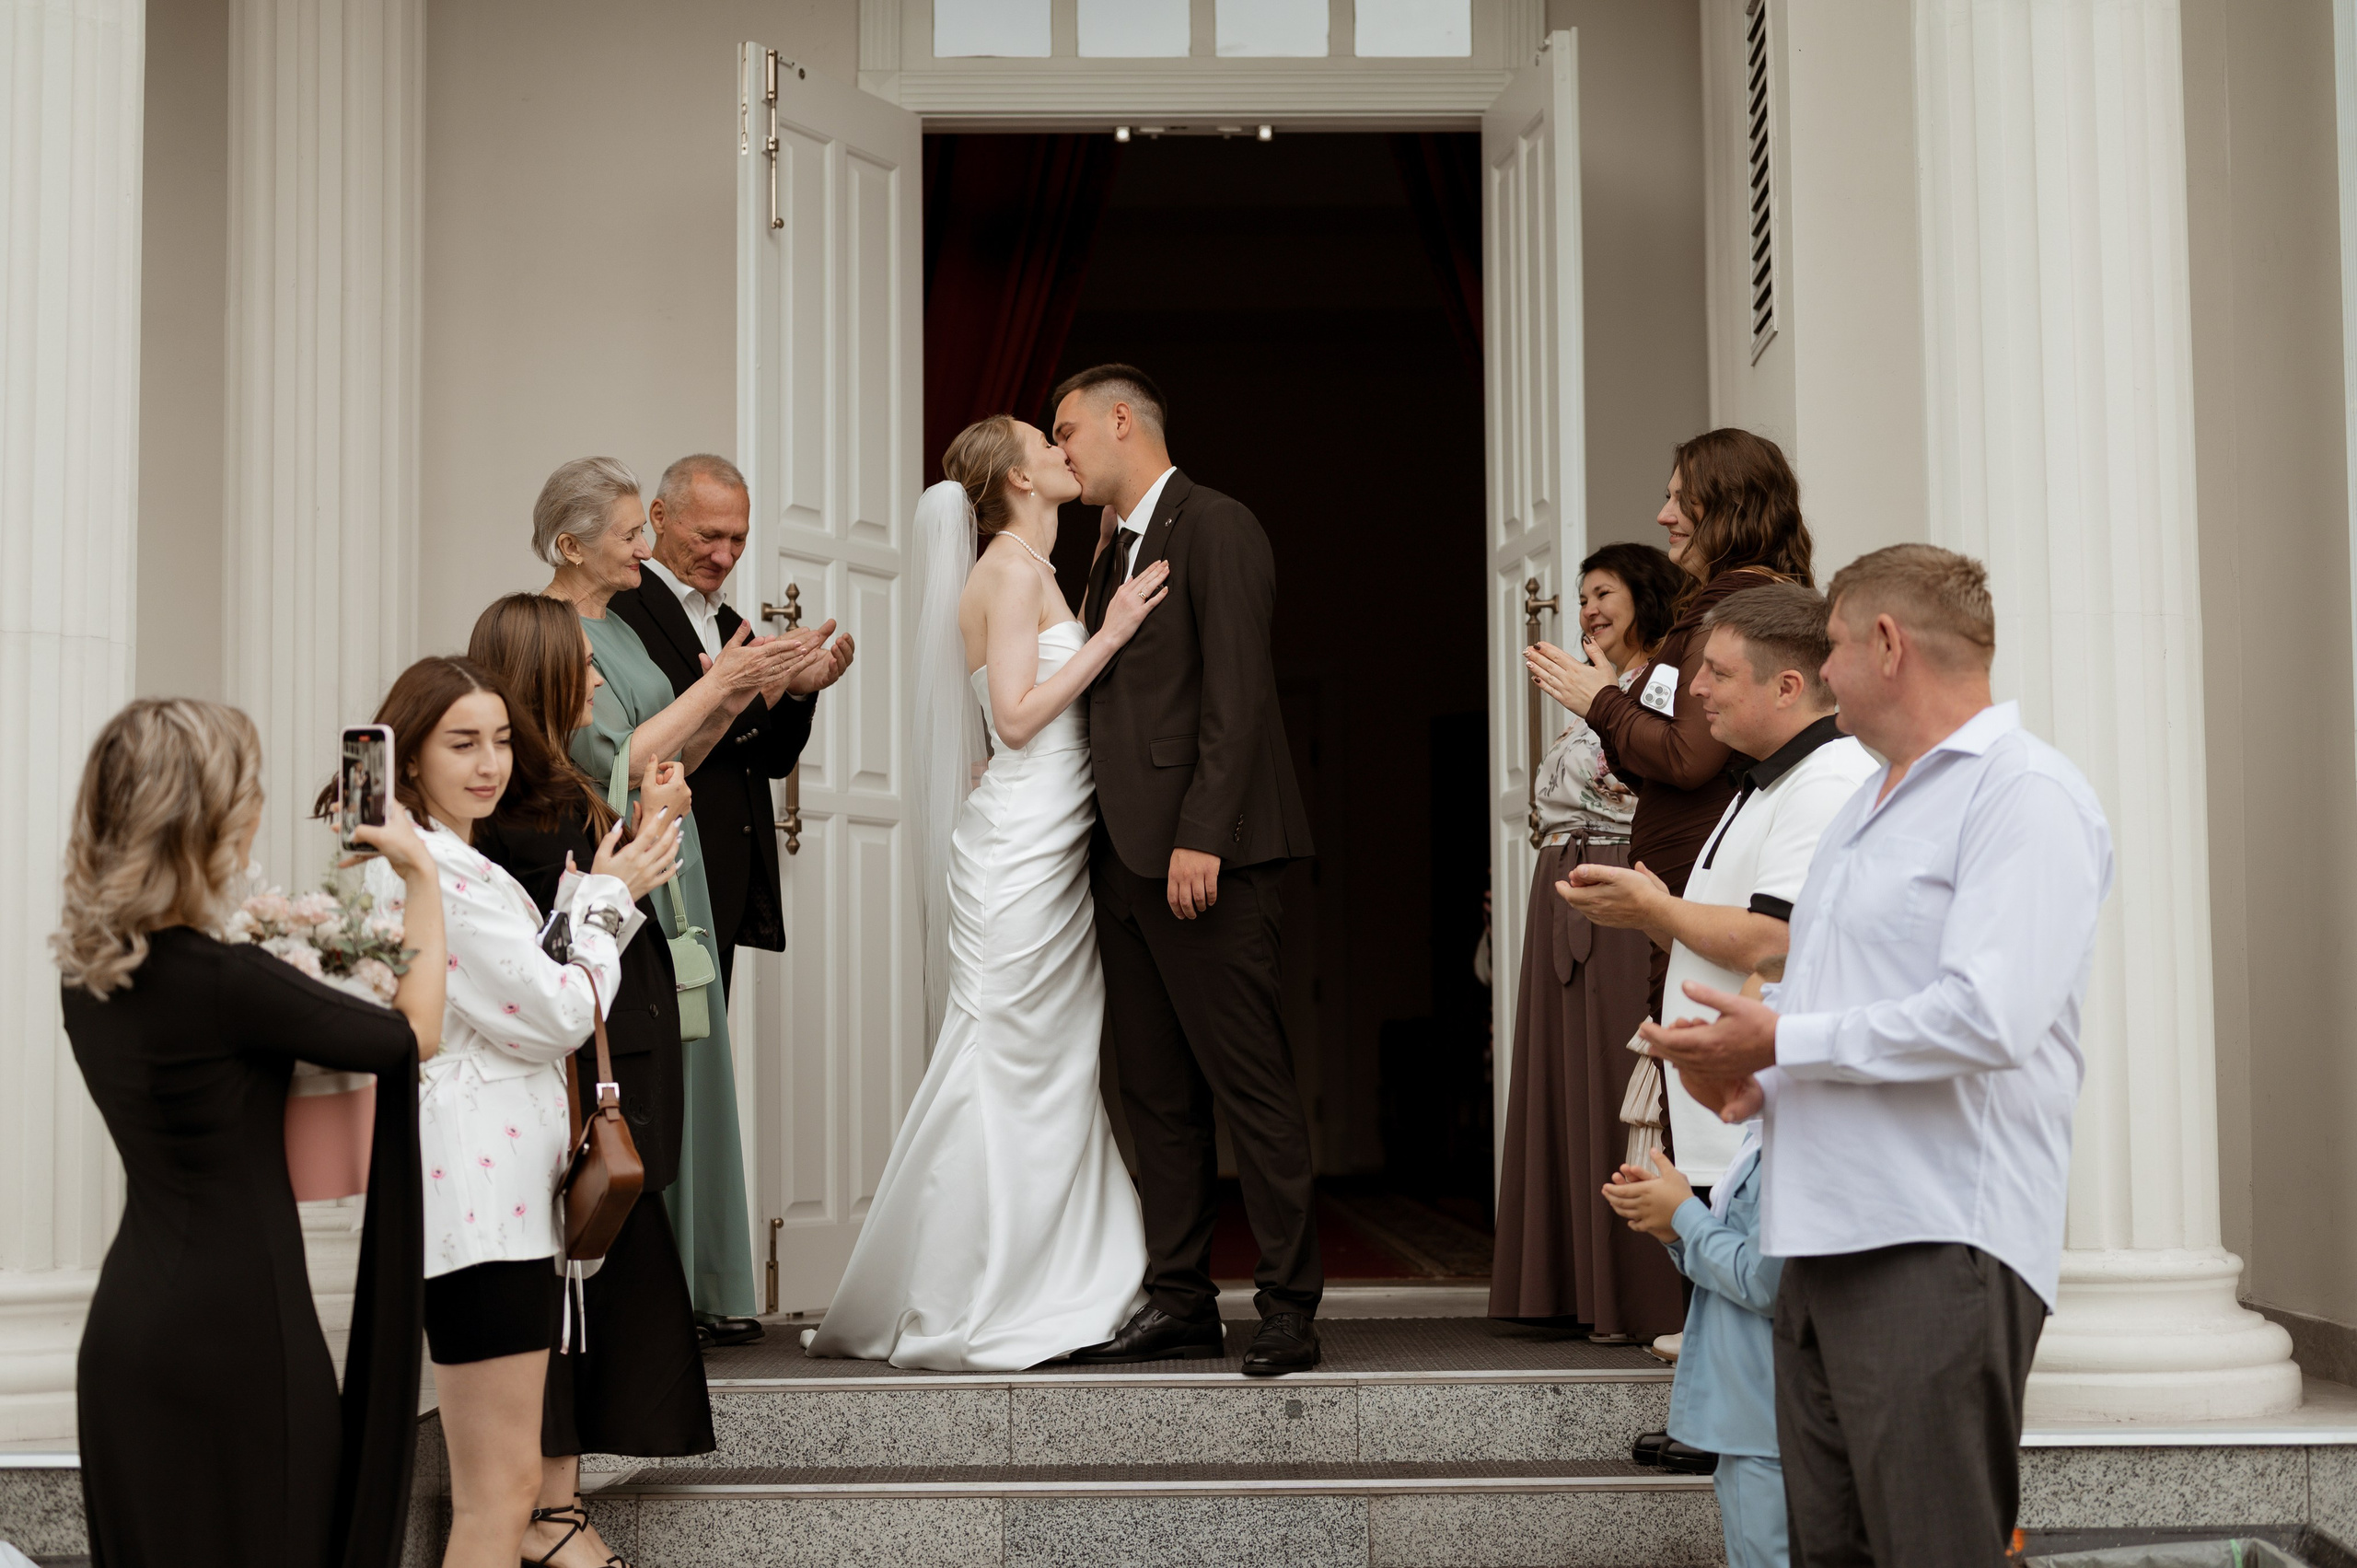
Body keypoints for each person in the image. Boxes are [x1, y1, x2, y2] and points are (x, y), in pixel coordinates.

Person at [1641, 545, 2114, 1568]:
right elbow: (1833, 999)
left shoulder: (2022, 794)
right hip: (1819, 1240)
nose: (1822, 674)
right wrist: (1749, 1081)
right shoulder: (1865, 804)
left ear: (1887, 645)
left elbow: (1988, 1016)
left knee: (1930, 1548)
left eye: (1836, 649)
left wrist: (1780, 1039)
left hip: (1934, 1238)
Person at [805, 415, 1168, 1369]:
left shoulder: (1039, 568)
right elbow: (1013, 720)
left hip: (1049, 836)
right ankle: (972, 1282)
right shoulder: (1005, 572)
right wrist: (1117, 630)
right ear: (1017, 474)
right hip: (1021, 846)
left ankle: (1053, 1266)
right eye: (1045, 443)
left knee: (1048, 1056)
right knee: (1005, 1052)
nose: (1063, 450)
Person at [56, 698, 444, 1568]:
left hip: (127, 1336)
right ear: (212, 820)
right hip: (236, 1335)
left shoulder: (86, 976)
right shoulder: (230, 980)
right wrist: (418, 872)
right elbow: (415, 1035)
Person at [353, 656, 680, 1568]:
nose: (490, 761)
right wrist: (612, 901)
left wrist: (592, 900)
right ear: (406, 757)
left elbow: (525, 982)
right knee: (498, 1501)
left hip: (485, 1190)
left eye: (500, 737)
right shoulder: (439, 875)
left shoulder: (438, 863)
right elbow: (558, 1011)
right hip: (482, 1200)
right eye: (462, 742)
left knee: (496, 1498)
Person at [1053, 364, 1322, 1376]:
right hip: (1119, 863)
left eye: (1069, 430)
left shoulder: (1216, 524)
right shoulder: (1102, 555)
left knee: (1248, 1083)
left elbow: (1239, 695)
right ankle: (1179, 1300)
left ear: (1122, 420)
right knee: (1155, 1093)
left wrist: (1201, 833)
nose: (1062, 451)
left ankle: (1288, 1304)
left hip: (1207, 857)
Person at [534, 456, 821, 1339]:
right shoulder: (551, 634)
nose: (643, 548)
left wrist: (745, 694)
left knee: (695, 1054)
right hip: (617, 856)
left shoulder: (615, 623)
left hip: (675, 841)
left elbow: (668, 759)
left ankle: (705, 1285)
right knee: (646, 1060)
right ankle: (654, 1293)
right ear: (570, 544)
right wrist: (719, 686)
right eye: (629, 534)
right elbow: (606, 768)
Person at [468, 593, 717, 1568]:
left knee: (582, 1279)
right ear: (543, 674)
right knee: (576, 1282)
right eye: (583, 662)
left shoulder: (545, 794)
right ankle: (550, 1512)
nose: (602, 678)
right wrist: (633, 869)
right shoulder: (542, 809)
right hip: (575, 1068)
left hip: (594, 1055)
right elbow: (556, 954)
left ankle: (555, 1506)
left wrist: (645, 829)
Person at [1559, 582, 1875, 1198]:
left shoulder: (1824, 782)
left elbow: (1775, 944)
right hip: (1728, 1139)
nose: (1695, 686)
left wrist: (1660, 906)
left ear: (1786, 687)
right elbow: (1728, 940)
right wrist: (1649, 914)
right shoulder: (1764, 782)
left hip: (1761, 1142)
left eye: (1717, 673)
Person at [1527, 429, 1815, 1010]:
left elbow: (1687, 759)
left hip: (1699, 885)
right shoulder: (1726, 602)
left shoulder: (1734, 610)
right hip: (1687, 884)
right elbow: (1661, 764)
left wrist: (1602, 704)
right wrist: (1611, 709)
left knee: (1697, 1070)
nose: (1664, 516)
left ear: (1731, 507)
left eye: (1682, 501)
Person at [1490, 540, 1689, 1337]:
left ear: (1644, 595)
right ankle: (1567, 1284)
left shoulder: (1663, 681)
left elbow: (1650, 773)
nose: (1588, 610)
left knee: (1617, 1076)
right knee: (1563, 1077)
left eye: (1603, 593)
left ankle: (1636, 1294)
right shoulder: (1596, 687)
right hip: (1563, 889)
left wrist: (1602, 700)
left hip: (1618, 890)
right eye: (1581, 598)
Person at [607, 453, 853, 992]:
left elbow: (770, 762)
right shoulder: (621, 612)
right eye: (709, 536)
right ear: (660, 516)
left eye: (738, 540)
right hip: (658, 868)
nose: (725, 556)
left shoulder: (727, 622)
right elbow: (648, 749)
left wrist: (794, 694)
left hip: (726, 871)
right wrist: (747, 699)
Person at [1604, 1134, 1788, 1568]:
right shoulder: (1759, 1136)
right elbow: (1740, 1266)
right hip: (1744, 1405)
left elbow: (1764, 1283)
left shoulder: (1793, 1141)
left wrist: (1686, 1215)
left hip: (1766, 1408)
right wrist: (1675, 1229)